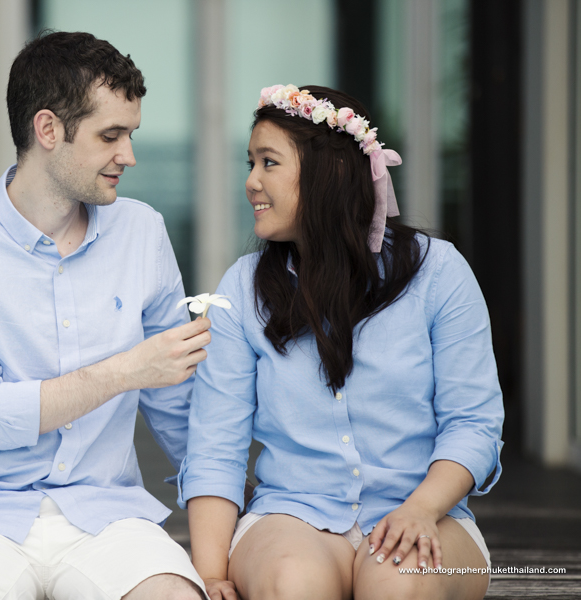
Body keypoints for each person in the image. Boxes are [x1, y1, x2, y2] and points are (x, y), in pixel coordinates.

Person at [0, 31, 210, 600]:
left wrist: (243, 515)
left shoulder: (142, 231)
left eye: (130, 134)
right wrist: (125, 370)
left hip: (110, 519)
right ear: (47, 130)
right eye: (110, 135)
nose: (129, 156)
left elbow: (181, 409)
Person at [179, 84, 504, 600]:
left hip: (426, 512)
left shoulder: (439, 273)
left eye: (268, 163)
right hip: (293, 515)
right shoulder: (242, 287)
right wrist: (211, 574)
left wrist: (421, 508)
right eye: (250, 163)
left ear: (326, 174)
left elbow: (474, 422)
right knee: (293, 583)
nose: (250, 182)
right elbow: (216, 443)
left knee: (398, 583)